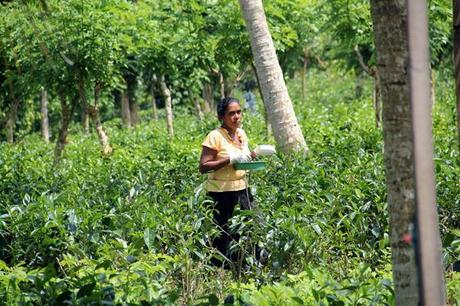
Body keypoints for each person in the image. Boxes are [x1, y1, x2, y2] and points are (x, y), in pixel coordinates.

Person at [199, 97, 257, 267]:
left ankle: (244, 265)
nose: (236, 116)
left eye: (239, 112)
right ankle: (221, 270)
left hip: (242, 190)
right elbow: (204, 166)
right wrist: (229, 159)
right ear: (221, 117)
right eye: (231, 113)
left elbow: (241, 160)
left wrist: (251, 157)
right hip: (221, 193)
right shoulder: (214, 136)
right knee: (223, 233)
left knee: (247, 228)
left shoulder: (241, 134)